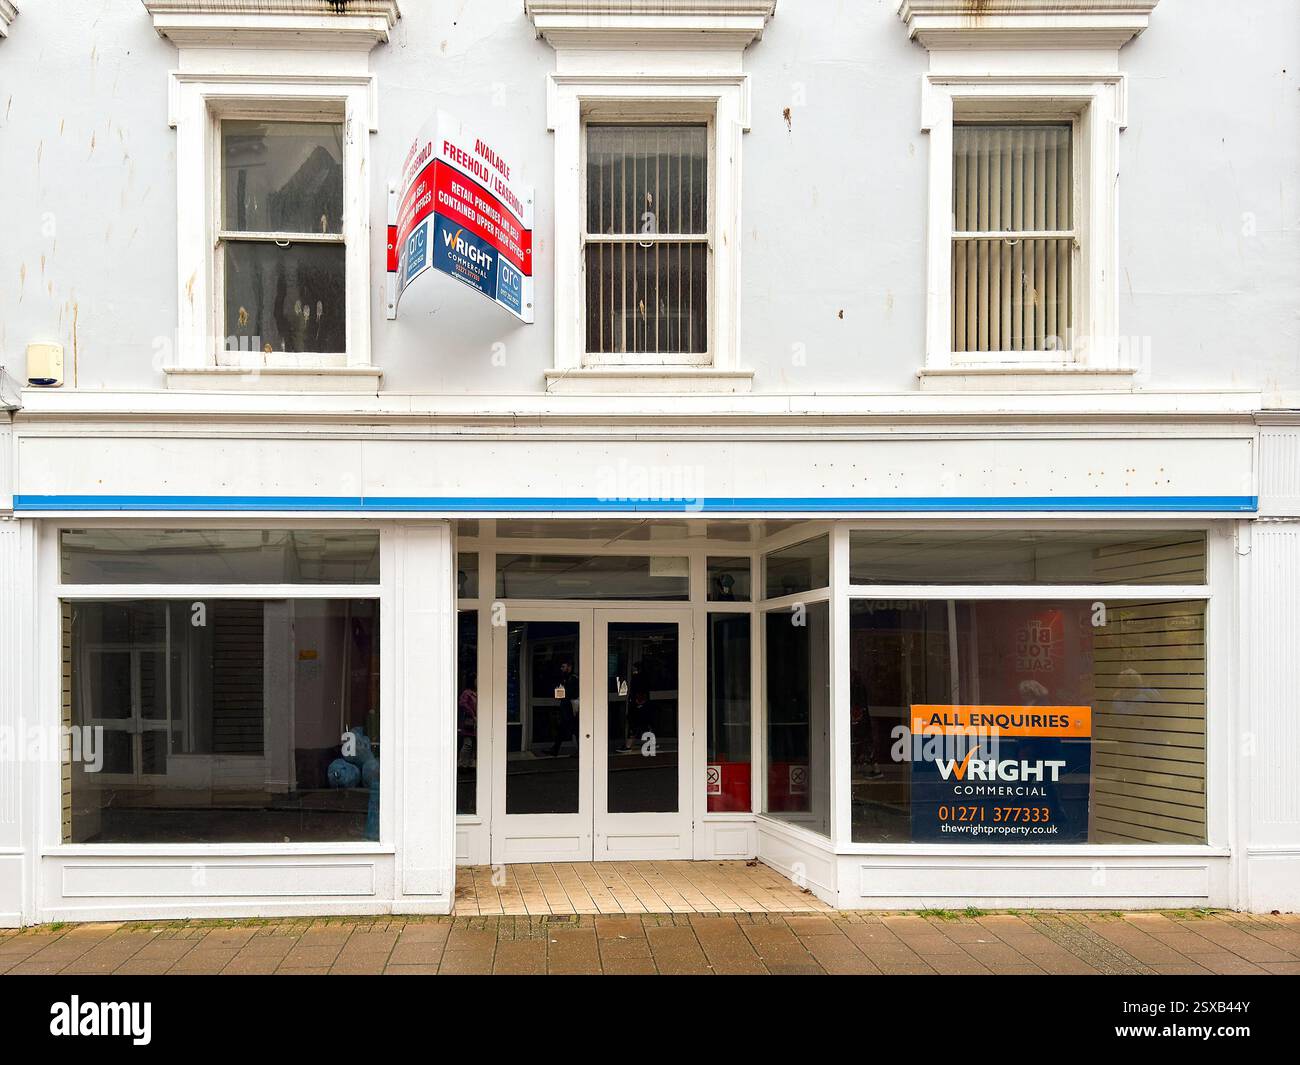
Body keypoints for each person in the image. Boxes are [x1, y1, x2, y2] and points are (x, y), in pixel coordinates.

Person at [549, 658, 579, 758]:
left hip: (571, 709)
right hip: (568, 709)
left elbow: (570, 694)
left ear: (569, 667)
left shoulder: (573, 678)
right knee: (567, 729)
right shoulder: (566, 678)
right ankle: (555, 749)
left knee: (574, 729)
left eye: (563, 666)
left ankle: (555, 749)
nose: (561, 669)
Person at [457, 671, 477, 768]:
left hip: (476, 722)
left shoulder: (476, 693)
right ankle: (462, 764)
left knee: (474, 744)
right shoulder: (467, 693)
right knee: (468, 744)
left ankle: (470, 763)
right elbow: (462, 704)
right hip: (469, 722)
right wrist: (472, 714)